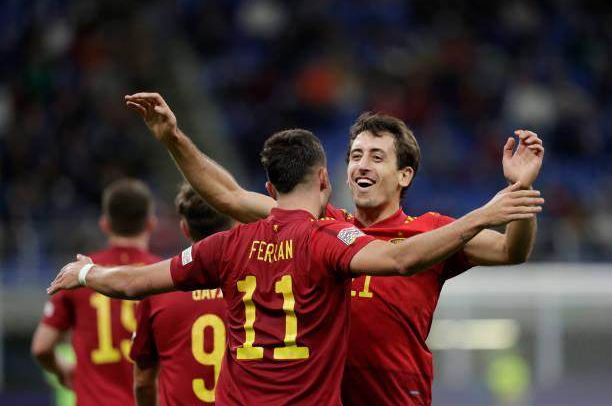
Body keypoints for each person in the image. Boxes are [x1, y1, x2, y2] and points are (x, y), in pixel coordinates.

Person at [47, 125, 543, 405]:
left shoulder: (432, 231)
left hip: (396, 395)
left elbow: (511, 252)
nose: (361, 164)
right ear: (332, 174)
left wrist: (519, 190)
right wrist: (174, 137)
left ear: (404, 175)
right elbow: (226, 195)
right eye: (354, 155)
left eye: (376, 157)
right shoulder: (320, 229)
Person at [32, 179, 160, 405]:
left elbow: (41, 347)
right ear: (150, 224)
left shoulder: (80, 274)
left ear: (105, 224)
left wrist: (62, 371)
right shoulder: (163, 276)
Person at [131, 184, 233, 405]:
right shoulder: (254, 283)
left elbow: (143, 382)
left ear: (184, 229)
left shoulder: (157, 290)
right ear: (234, 222)